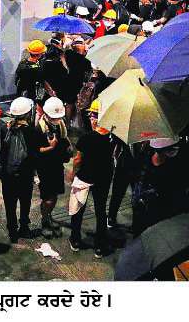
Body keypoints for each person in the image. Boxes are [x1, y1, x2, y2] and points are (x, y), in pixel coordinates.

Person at [68, 99, 114, 257]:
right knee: (100, 210)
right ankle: (100, 246)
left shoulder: (87, 138)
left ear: (97, 118)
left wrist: (73, 172)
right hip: (104, 178)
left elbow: (77, 159)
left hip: (85, 177)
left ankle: (75, 239)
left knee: (78, 207)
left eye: (92, 115)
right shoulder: (113, 136)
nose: (90, 118)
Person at [0, 97, 41, 242]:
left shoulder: (5, 129)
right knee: (25, 202)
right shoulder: (33, 132)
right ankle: (24, 228)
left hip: (7, 175)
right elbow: (34, 155)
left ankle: (12, 231)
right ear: (28, 114)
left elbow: (3, 153)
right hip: (25, 175)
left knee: (10, 204)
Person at [132, 137, 189, 235]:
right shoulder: (173, 165)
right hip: (155, 215)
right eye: (171, 150)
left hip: (151, 212)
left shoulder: (145, 156)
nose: (175, 151)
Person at [35, 97, 72, 239]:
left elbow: (64, 138)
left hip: (57, 165)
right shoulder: (39, 128)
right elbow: (35, 151)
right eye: (54, 117)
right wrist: (50, 147)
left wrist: (68, 147)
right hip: (45, 168)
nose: (56, 119)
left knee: (55, 195)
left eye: (58, 117)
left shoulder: (60, 124)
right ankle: (44, 221)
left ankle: (49, 216)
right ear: (46, 114)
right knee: (47, 198)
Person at [15, 40, 49, 118]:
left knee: (23, 111)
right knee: (34, 112)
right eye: (42, 53)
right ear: (38, 54)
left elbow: (17, 78)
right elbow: (43, 82)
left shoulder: (23, 63)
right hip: (33, 94)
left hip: (21, 92)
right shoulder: (38, 69)